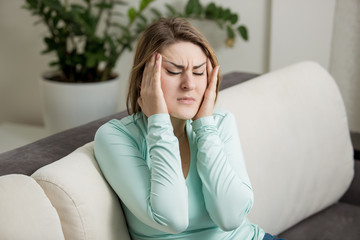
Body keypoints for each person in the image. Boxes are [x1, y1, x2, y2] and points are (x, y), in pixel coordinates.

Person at [94, 17, 285, 240]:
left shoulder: (220, 123)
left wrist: (205, 127)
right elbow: (172, 219)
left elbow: (231, 217)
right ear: (143, 80)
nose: (189, 84)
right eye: (174, 72)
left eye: (198, 72)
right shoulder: (117, 137)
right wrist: (158, 121)